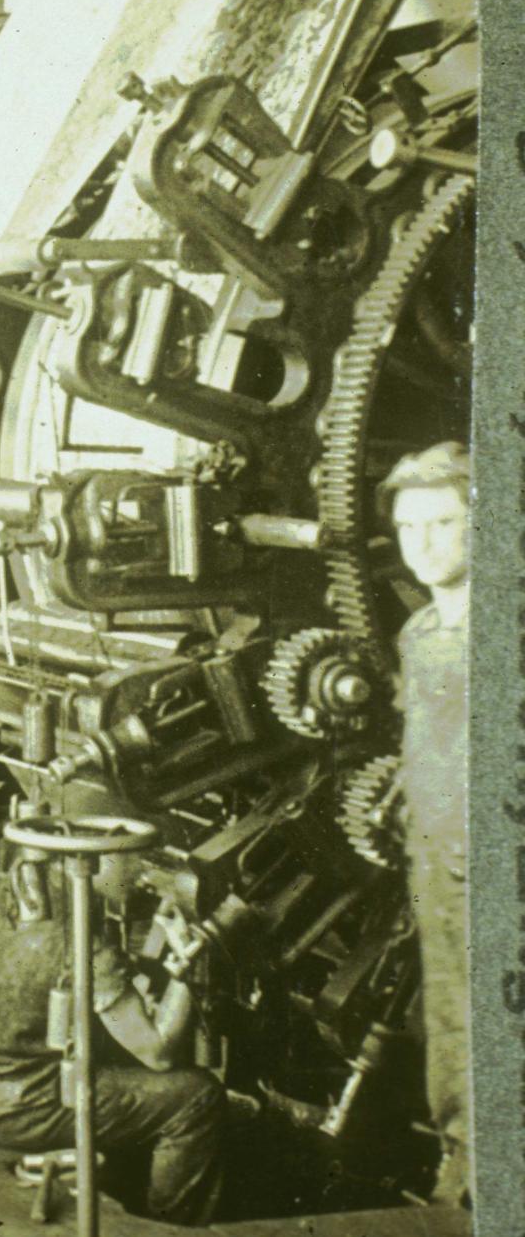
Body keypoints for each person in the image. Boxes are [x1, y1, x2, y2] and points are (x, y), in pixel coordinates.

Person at [0, 847, 224, 1226]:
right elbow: (158, 1052)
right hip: (24, 1108)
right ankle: (166, 1227)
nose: (147, 876)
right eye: (140, 860)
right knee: (197, 1096)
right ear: (99, 854)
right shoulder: (82, 943)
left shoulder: (26, 879)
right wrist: (192, 962)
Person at [385, 440, 471, 1205]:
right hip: (435, 864)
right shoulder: (418, 637)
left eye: (442, 523)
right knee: (447, 1016)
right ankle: (462, 1167)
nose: (424, 544)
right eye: (410, 528)